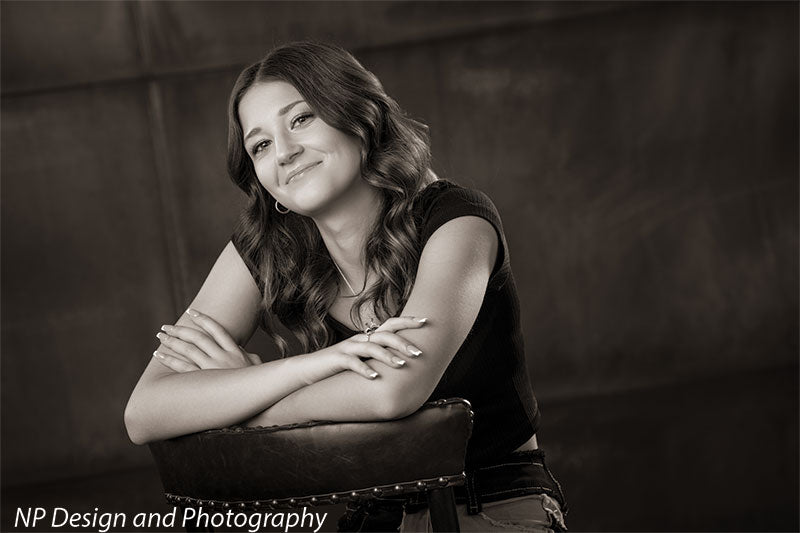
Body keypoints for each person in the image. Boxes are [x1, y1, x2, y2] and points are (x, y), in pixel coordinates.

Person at [124, 41, 568, 532]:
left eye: (301, 119)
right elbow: (145, 413)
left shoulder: (458, 219)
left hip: (492, 504)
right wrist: (307, 368)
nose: (285, 152)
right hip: (372, 514)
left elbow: (391, 392)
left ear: (358, 117)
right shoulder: (269, 246)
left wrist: (241, 404)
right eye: (261, 145)